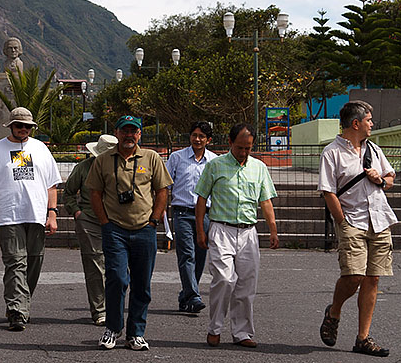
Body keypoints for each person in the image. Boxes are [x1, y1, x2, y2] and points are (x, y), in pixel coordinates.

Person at [86, 115, 172, 351]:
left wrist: (155, 220)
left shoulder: (151, 157)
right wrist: (104, 221)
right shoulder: (103, 160)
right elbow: (94, 192)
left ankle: (136, 333)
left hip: (144, 229)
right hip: (115, 229)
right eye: (124, 131)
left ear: (139, 134)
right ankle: (112, 328)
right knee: (116, 278)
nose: (129, 135)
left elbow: (162, 190)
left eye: (134, 131)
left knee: (142, 283)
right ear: (117, 133)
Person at [318, 101, 395, 357]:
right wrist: (342, 222)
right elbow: (328, 191)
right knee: (353, 277)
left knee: (372, 278)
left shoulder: (373, 149)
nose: (372, 124)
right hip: (352, 220)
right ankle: (335, 311)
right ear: (356, 123)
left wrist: (380, 180)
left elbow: (390, 178)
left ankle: (363, 338)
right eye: (369, 120)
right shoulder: (332, 152)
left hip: (379, 219)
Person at [0, 107, 61, 331]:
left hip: (36, 215)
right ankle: (16, 310)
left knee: (34, 262)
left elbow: (52, 184)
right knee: (15, 262)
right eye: (19, 125)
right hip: (8, 216)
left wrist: (52, 213)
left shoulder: (40, 149)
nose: (23, 130)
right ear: (11, 126)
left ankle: (21, 304)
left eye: (27, 126)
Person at [195, 124, 279, 349]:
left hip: (248, 231)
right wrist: (201, 231)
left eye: (248, 148)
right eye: (240, 147)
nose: (243, 153)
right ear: (230, 143)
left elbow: (266, 200)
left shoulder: (259, 168)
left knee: (246, 284)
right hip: (221, 229)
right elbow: (201, 199)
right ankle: (215, 328)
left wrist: (272, 228)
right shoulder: (215, 166)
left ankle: (242, 332)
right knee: (223, 278)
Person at [62, 134, 117, 326]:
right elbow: (68, 192)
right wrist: (76, 212)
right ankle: (100, 310)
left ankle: (115, 307)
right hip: (90, 221)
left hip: (118, 222)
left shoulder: (123, 167)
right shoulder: (83, 168)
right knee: (95, 266)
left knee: (120, 267)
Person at [165, 121, 217, 314]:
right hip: (182, 212)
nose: (197, 139)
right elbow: (166, 185)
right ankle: (194, 296)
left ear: (208, 140)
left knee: (200, 254)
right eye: (194, 135)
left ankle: (185, 295)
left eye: (202, 136)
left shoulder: (214, 161)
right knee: (187, 254)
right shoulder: (176, 157)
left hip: (205, 214)